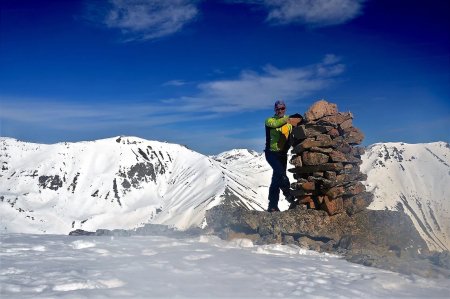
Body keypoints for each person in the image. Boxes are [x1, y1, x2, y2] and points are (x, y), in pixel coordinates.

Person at [264, 100, 301, 212]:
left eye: (282, 108)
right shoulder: (269, 120)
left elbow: (293, 136)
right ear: (275, 110)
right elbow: (276, 124)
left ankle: (272, 206)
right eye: (278, 109)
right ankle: (288, 195)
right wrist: (289, 118)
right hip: (271, 154)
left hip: (282, 155)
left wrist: (300, 119)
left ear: (285, 109)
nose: (280, 110)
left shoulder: (289, 124)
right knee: (282, 176)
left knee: (275, 180)